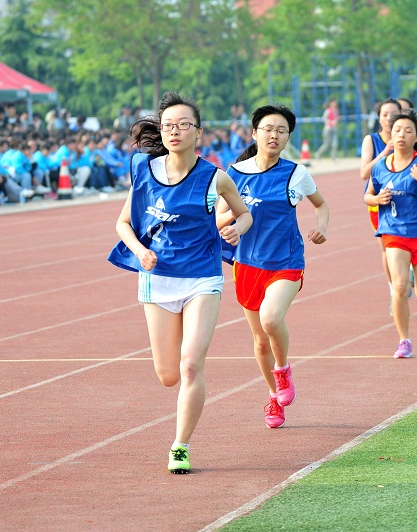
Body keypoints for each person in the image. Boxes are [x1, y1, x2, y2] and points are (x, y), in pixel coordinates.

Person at [107, 91, 252, 474]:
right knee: (168, 375)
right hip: (158, 279)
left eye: (183, 124)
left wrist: (237, 229)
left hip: (202, 278)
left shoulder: (214, 177)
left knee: (190, 365)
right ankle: (180, 427)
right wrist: (140, 251)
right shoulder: (143, 172)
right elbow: (123, 224)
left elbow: (244, 215)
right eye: (168, 125)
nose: (174, 131)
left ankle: (180, 446)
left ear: (198, 132)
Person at [216, 104, 329, 428]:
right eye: (268, 129)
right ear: (255, 133)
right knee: (260, 340)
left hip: (286, 262)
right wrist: (236, 220)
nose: (274, 135)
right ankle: (273, 396)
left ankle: (282, 371)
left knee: (270, 318)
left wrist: (322, 227)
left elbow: (321, 204)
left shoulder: (295, 173)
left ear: (288, 136)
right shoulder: (234, 173)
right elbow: (219, 217)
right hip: (247, 264)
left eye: (281, 130)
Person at [364, 109, 417, 358]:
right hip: (394, 233)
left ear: (416, 136)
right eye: (397, 130)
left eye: (408, 130)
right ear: (390, 134)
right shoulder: (380, 166)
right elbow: (368, 195)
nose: (401, 135)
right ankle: (404, 341)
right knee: (399, 286)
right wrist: (376, 199)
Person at [360, 98, 403, 312]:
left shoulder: (408, 136)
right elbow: (364, 173)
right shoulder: (372, 140)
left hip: (407, 200)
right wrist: (385, 152)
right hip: (380, 202)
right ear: (379, 118)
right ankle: (394, 290)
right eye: (384, 114)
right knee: (388, 248)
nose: (389, 118)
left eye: (393, 114)